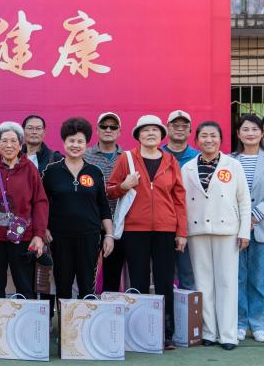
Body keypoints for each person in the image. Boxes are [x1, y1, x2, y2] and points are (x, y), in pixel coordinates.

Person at [107, 114, 187, 350]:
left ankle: (166, 333)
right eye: (145, 130)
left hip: (165, 229)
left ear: (162, 135)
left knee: (165, 282)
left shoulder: (170, 161)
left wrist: (181, 232)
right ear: (138, 135)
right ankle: (141, 333)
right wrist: (124, 186)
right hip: (135, 230)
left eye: (155, 130)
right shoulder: (127, 158)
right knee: (139, 281)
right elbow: (110, 190)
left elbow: (179, 198)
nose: (150, 133)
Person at [182, 121, 251, 350]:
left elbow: (244, 200)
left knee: (227, 283)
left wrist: (244, 231)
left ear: (221, 139)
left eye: (213, 135)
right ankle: (209, 332)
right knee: (203, 282)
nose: (209, 140)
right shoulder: (188, 168)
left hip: (227, 230)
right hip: (197, 230)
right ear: (196, 140)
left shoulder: (233, 165)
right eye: (204, 136)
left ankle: (228, 334)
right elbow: (181, 203)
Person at [0, 121, 48, 299]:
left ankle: (25, 317)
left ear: (21, 145)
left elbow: (40, 202)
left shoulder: (30, 170)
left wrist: (38, 235)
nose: (9, 145)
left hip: (22, 237)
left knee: (25, 286)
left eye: (13, 141)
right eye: (4, 141)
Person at [43, 117, 112, 300]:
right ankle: (64, 319)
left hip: (89, 236)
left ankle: (84, 319)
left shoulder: (95, 172)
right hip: (59, 237)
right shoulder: (51, 172)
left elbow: (104, 206)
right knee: (63, 283)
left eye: (80, 141)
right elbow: (42, 204)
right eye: (71, 140)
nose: (75, 145)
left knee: (86, 284)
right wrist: (44, 228)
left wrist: (109, 235)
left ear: (86, 144)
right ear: (64, 142)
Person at [232, 113, 264, 343]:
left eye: (254, 129)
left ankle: (259, 324)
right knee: (238, 278)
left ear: (262, 133)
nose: (250, 133)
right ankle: (239, 323)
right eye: (245, 129)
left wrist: (253, 217)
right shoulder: (230, 160)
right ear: (238, 134)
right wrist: (242, 220)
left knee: (259, 280)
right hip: (235, 229)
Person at [84, 111, 126, 293]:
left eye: (113, 127)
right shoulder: (85, 155)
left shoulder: (127, 157)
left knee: (113, 273)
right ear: (97, 129)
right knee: (86, 271)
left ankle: (111, 308)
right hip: (90, 222)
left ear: (119, 131)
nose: (108, 130)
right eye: (104, 126)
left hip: (118, 223)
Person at [163, 109, 198, 291]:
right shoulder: (156, 154)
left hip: (190, 223)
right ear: (167, 128)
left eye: (184, 126)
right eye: (175, 125)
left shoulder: (198, 157)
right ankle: (164, 309)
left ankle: (188, 310)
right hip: (162, 223)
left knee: (188, 274)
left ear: (190, 130)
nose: (179, 129)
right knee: (161, 275)